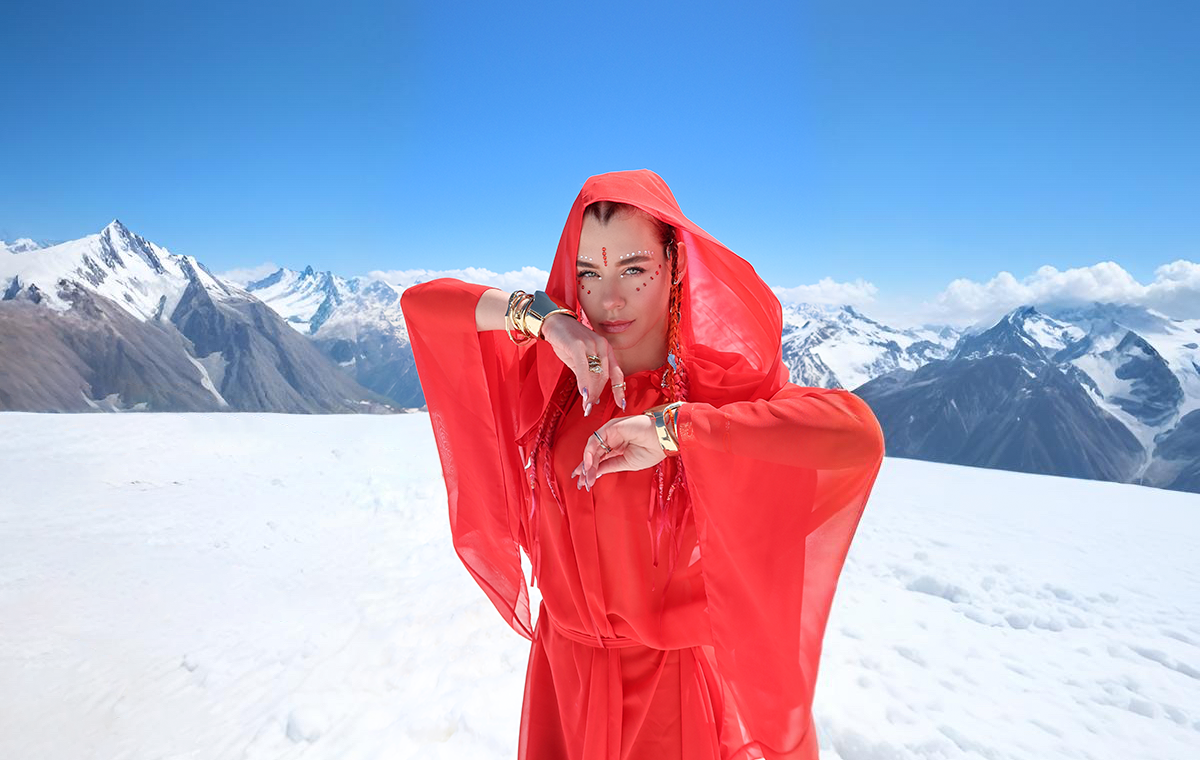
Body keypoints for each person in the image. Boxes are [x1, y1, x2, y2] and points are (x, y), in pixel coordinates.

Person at [399, 169, 886, 760]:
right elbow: (422, 306)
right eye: (588, 273)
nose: (609, 300)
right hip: (561, 681)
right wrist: (546, 319)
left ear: (674, 264)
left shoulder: (715, 391)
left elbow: (856, 435)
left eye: (633, 269)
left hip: (668, 704)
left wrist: (675, 429)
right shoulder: (552, 380)